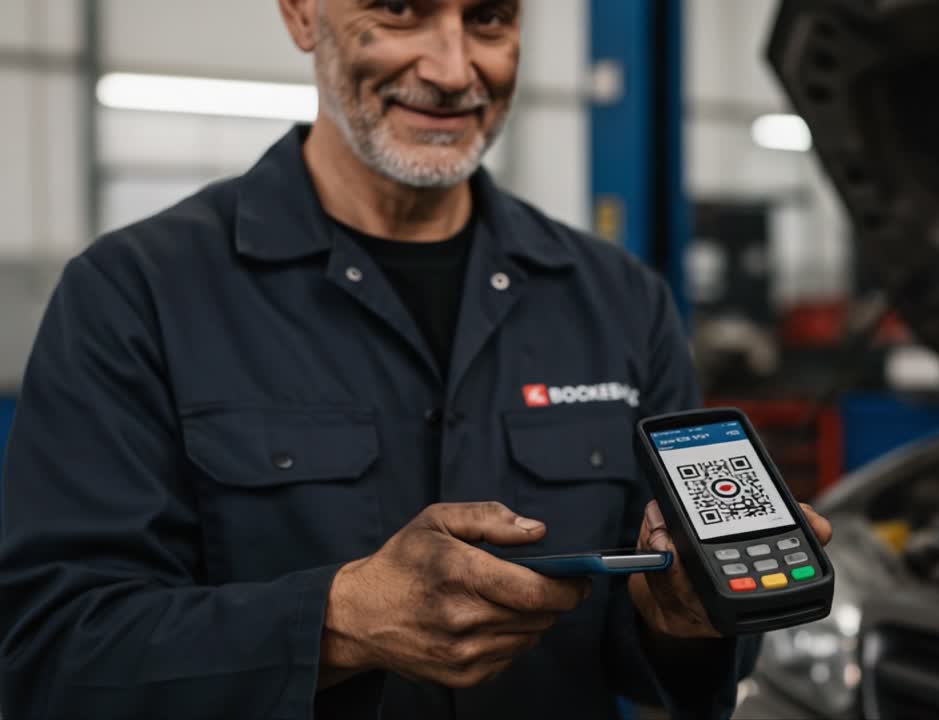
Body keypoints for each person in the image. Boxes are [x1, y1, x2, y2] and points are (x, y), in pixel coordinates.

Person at [0, 1, 833, 718]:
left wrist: (680, 620)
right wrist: (337, 622)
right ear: (300, 13)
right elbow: (48, 652)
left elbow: (649, 657)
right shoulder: (134, 294)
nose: (451, 68)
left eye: (490, 19)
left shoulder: (618, 298)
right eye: (399, 9)